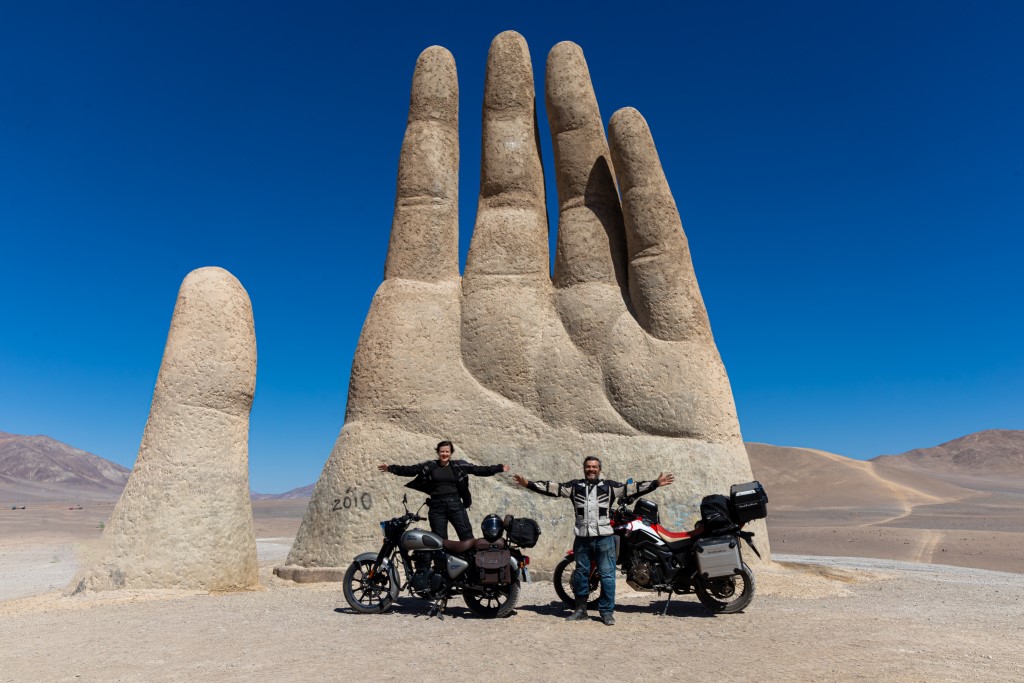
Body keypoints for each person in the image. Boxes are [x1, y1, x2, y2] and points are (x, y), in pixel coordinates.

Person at [514, 456, 674, 626]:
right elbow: (553, 488)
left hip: (604, 539)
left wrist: (656, 483)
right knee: (581, 575)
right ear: (584, 469)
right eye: (588, 467)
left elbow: (632, 488)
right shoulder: (575, 487)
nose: (591, 469)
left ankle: (606, 612)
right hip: (582, 539)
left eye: (594, 467)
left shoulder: (610, 487)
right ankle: (581, 610)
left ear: (599, 469)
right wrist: (529, 484)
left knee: (607, 575)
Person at [379, 441, 509, 541]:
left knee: (466, 536)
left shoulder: (458, 466)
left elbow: (479, 470)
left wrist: (498, 468)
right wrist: (390, 468)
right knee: (439, 540)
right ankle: (442, 571)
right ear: (438, 453)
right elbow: (410, 470)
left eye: (447, 451)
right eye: (442, 451)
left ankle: (472, 569)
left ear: (451, 453)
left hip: (456, 505)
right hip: (436, 507)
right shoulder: (430, 466)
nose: (444, 454)